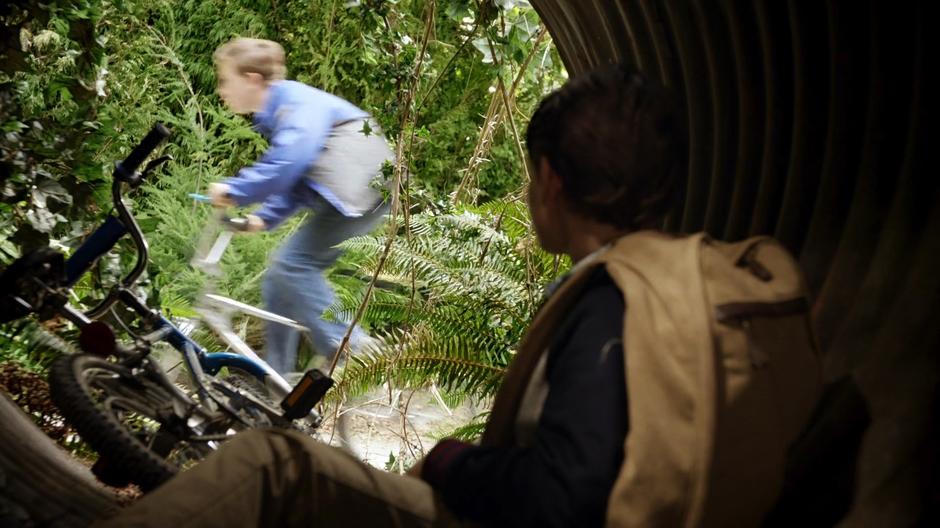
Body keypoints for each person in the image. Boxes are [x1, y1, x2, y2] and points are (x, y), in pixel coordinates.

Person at [92, 63, 817, 528]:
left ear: (551, 182)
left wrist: (448, 462)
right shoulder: (693, 278)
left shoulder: (612, 303)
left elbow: (561, 498)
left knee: (275, 463)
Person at [208, 37, 391, 375]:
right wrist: (262, 219)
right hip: (351, 189)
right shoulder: (279, 111)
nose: (220, 90)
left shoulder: (293, 103)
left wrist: (235, 189)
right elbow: (300, 176)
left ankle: (358, 351)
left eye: (224, 80)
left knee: (293, 267)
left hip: (361, 187)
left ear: (251, 79)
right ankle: (276, 379)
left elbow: (290, 162)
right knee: (279, 280)